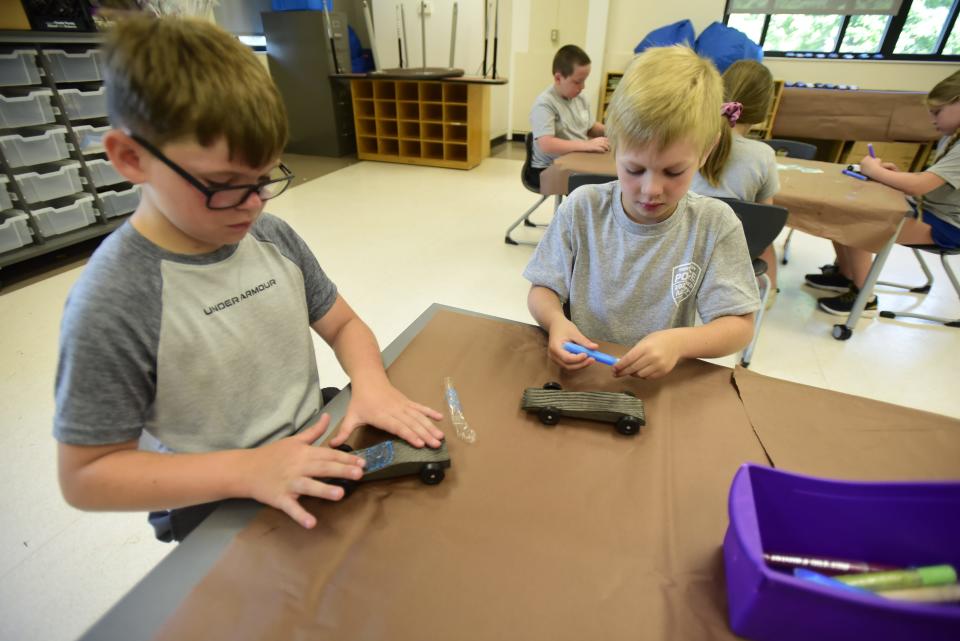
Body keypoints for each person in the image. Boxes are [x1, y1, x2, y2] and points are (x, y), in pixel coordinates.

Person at [53, 16, 443, 542]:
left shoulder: (271, 236)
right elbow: (86, 476)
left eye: (264, 179)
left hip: (313, 446)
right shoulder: (114, 300)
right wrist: (249, 470)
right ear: (131, 158)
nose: (253, 204)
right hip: (213, 496)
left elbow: (344, 324)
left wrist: (371, 386)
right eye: (224, 185)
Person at [523, 46, 760, 380]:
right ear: (614, 147)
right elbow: (542, 288)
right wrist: (556, 322)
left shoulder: (714, 224)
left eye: (674, 172)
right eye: (634, 169)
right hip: (583, 374)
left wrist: (681, 342)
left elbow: (739, 325)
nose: (651, 190)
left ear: (705, 152)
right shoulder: (582, 207)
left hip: (658, 386)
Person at [806, 69, 960, 316]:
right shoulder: (951, 136)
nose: (932, 120)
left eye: (937, 112)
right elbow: (928, 182)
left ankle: (864, 298)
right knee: (843, 209)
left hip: (948, 226)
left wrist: (876, 171)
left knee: (859, 222)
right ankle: (847, 275)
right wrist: (897, 175)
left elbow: (919, 186)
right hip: (930, 210)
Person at [691, 59, 780, 296]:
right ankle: (769, 294)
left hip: (683, 245)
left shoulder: (690, 141)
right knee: (766, 239)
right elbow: (765, 218)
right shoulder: (764, 156)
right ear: (763, 109)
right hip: (731, 253)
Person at [527, 44, 609, 189]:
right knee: (601, 181)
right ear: (558, 78)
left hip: (576, 159)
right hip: (547, 168)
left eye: (585, 80)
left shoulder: (580, 98)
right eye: (578, 81)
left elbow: (590, 127)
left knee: (614, 170)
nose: (583, 86)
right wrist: (587, 145)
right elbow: (547, 144)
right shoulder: (544, 104)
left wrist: (615, 131)